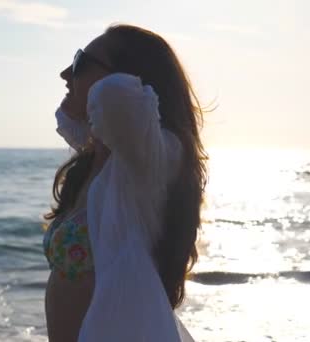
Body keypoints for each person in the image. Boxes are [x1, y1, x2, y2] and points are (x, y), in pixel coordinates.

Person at [42, 23, 208, 342]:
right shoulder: (95, 167)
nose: (65, 74)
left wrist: (98, 88)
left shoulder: (155, 162)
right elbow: (86, 116)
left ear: (129, 77)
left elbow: (115, 97)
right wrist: (84, 89)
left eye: (79, 62)